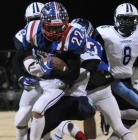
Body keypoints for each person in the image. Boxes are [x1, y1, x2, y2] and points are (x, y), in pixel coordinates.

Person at [22, 2, 111, 140]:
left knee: (41, 112)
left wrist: (50, 68)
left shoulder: (73, 38)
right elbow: (23, 54)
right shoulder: (32, 30)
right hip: (52, 83)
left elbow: (73, 74)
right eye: (51, 28)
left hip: (67, 85)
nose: (55, 32)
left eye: (60, 28)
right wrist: (30, 65)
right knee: (40, 117)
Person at [93, 3, 138, 140]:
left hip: (130, 78)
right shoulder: (104, 33)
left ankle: (109, 117)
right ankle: (109, 114)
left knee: (129, 120)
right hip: (109, 80)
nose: (127, 22)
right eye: (124, 18)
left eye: (131, 19)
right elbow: (95, 56)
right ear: (115, 18)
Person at [12, 2, 46, 140]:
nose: (36, 23)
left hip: (55, 80)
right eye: (33, 19)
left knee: (50, 121)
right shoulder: (22, 36)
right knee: (21, 119)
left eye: (39, 19)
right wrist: (21, 78)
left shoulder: (59, 33)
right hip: (35, 81)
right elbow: (18, 59)